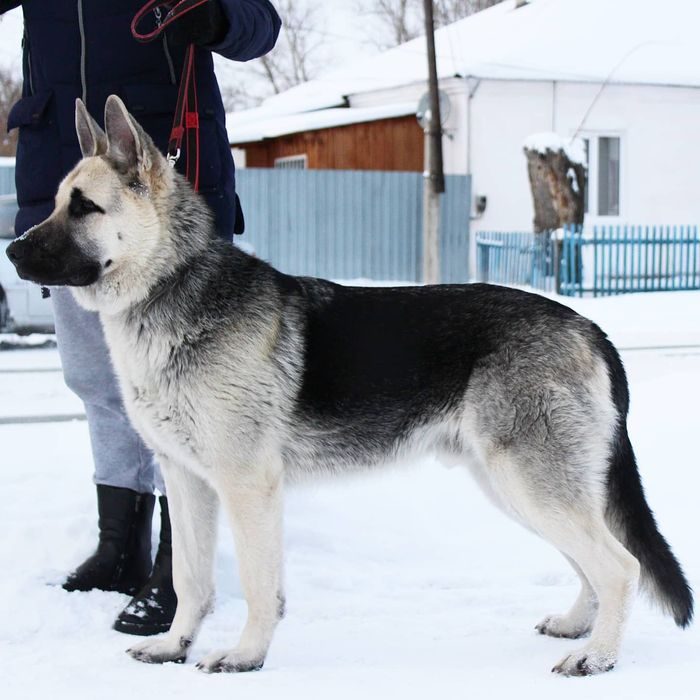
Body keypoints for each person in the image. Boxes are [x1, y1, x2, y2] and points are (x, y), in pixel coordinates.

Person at [1, 0, 281, 635]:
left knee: (190, 393)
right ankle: (119, 542)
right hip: (65, 178)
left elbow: (261, 24)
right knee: (98, 382)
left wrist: (217, 18)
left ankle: (177, 561)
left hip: (167, 183)